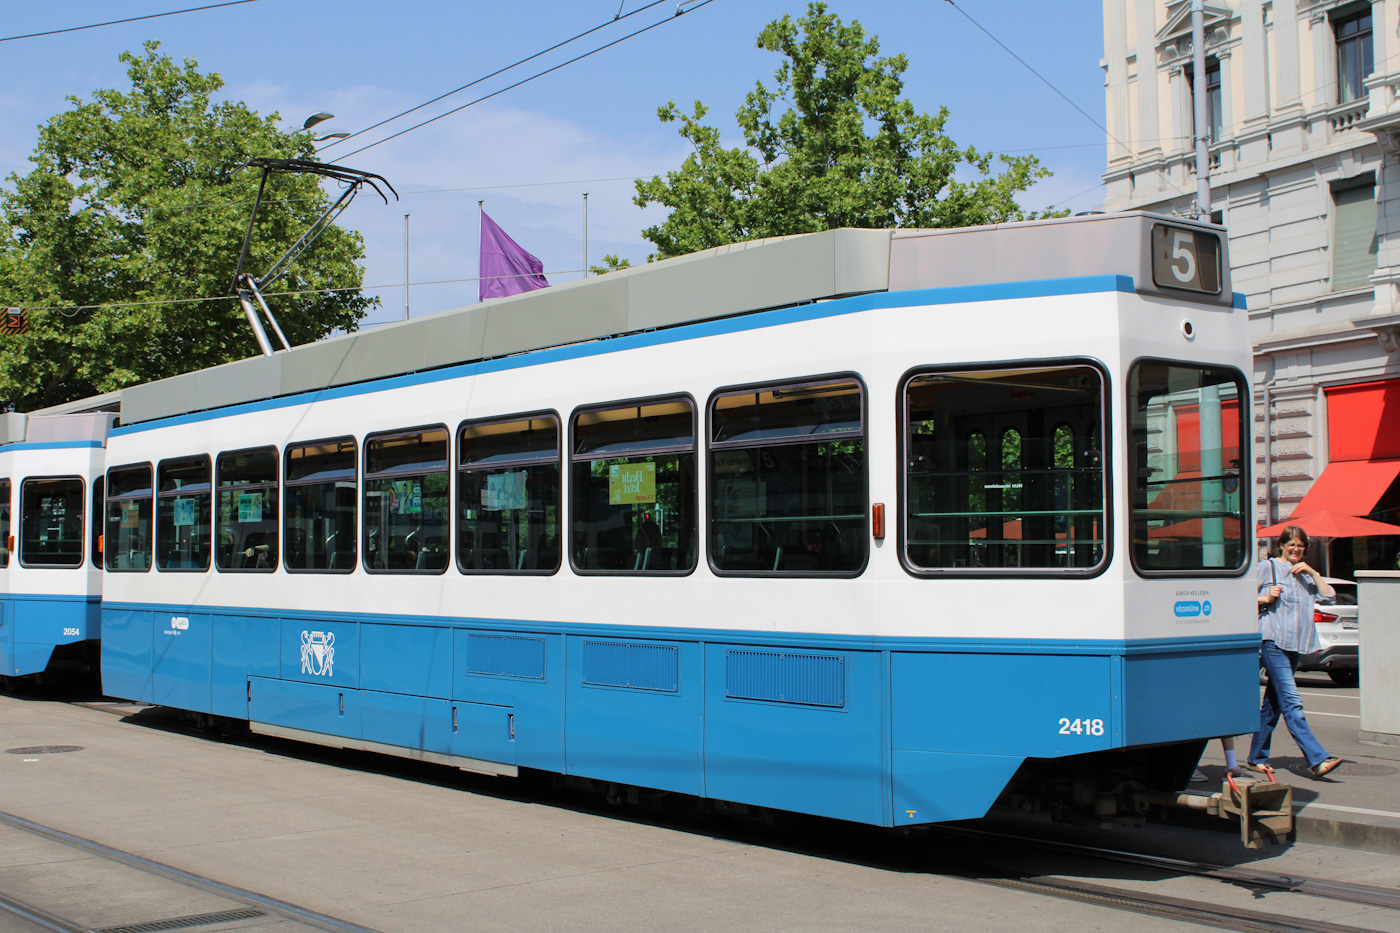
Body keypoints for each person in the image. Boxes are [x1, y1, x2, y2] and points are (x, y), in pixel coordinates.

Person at [1247, 526, 1343, 778]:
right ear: (1281, 545)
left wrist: (1313, 571)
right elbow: (1238, 594)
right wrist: (1264, 597)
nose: (1296, 549)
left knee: (1273, 704)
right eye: (1291, 544)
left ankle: (1256, 757)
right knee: (1292, 701)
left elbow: (1330, 597)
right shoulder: (1266, 568)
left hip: (1296, 645)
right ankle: (1317, 758)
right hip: (1273, 641)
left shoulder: (1305, 575)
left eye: (1300, 545)